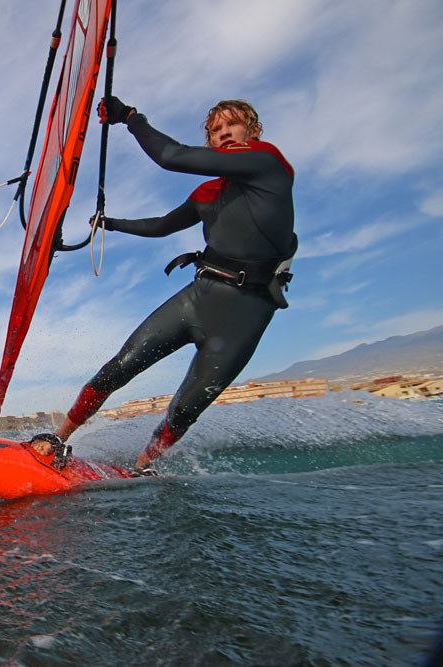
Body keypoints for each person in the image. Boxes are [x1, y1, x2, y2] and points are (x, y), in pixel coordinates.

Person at [31, 96, 296, 469]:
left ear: (252, 131)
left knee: (186, 409)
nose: (224, 135)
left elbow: (172, 157)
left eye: (232, 126)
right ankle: (58, 438)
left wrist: (131, 118)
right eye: (216, 131)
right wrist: (111, 224)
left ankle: (142, 467)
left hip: (246, 312)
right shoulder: (208, 193)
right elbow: (162, 225)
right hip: (199, 297)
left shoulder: (268, 163)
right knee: (121, 365)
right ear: (211, 143)